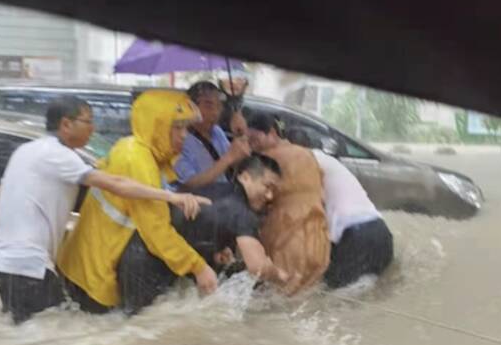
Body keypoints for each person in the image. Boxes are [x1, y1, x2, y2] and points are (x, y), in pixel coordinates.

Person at [0, 94, 206, 324]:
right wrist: (171, 196)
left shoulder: (26, 150)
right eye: (87, 121)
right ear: (66, 124)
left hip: (1, 264)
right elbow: (117, 184)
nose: (93, 128)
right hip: (29, 267)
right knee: (51, 339)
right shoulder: (61, 156)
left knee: (31, 331)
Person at [58, 89, 219, 315]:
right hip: (92, 279)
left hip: (80, 269)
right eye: (177, 127)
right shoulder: (137, 161)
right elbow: (157, 233)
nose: (184, 135)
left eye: (186, 128)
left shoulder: (132, 147)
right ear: (157, 126)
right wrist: (198, 267)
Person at [115, 154, 299, 312]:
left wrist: (211, 254)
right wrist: (281, 276)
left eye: (274, 191)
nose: (269, 196)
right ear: (245, 177)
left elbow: (190, 229)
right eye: (267, 187)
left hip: (138, 258)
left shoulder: (219, 191)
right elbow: (257, 266)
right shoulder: (240, 209)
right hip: (146, 266)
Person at [286, 127, 394, 288]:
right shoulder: (327, 159)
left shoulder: (306, 161)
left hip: (358, 237)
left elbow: (314, 204)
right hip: (381, 234)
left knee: (334, 301)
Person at [246, 111, 330, 293]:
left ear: (272, 133)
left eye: (254, 138)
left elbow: (254, 200)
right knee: (307, 298)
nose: (252, 145)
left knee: (280, 299)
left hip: (287, 238)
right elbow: (322, 195)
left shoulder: (266, 160)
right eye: (248, 140)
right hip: (318, 236)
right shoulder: (308, 154)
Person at [174, 80, 250, 199]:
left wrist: (240, 136)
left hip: (226, 200)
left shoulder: (217, 132)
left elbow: (234, 164)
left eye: (219, 106)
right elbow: (189, 184)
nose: (215, 112)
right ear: (190, 105)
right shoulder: (179, 139)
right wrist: (228, 158)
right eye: (208, 105)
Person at [218, 73, 250, 139]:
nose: (233, 82)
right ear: (221, 81)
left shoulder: (247, 111)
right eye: (227, 77)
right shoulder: (213, 103)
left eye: (239, 79)